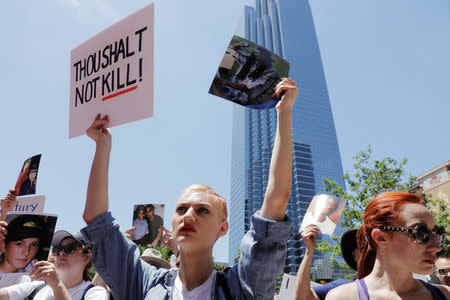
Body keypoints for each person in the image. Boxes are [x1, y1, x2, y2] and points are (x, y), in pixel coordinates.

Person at [81, 77, 298, 299]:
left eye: (203, 210)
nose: (188, 216)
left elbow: (277, 200)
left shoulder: (240, 288)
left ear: (223, 228)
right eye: (181, 209)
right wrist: (102, 145)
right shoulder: (144, 283)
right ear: (171, 224)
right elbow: (97, 220)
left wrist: (284, 113)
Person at [326, 192, 450, 299]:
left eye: (438, 233)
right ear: (381, 238)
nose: (437, 247)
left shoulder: (445, 294)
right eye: (421, 233)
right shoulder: (343, 297)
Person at [0, 230, 108, 299]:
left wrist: (57, 285)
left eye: (70, 248)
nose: (61, 253)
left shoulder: (95, 293)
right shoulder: (37, 286)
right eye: (57, 249)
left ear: (87, 257)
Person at [294, 226, 359, 300]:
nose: (370, 251)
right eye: (364, 245)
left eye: (374, 245)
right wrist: (309, 251)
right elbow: (303, 298)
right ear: (354, 254)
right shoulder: (339, 289)